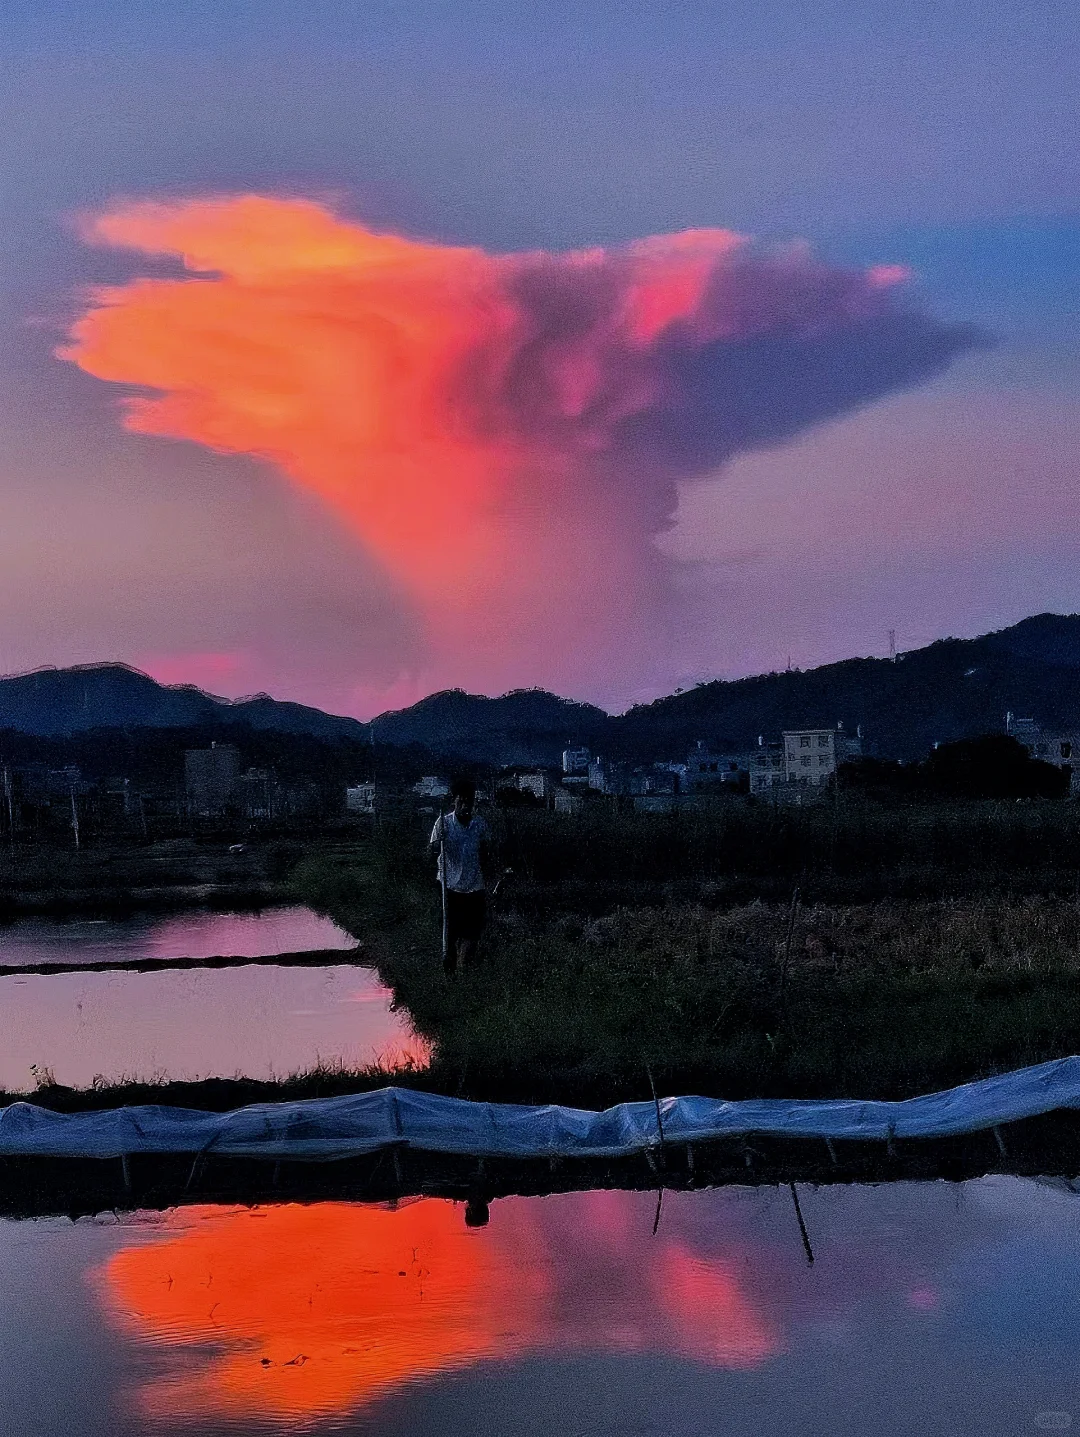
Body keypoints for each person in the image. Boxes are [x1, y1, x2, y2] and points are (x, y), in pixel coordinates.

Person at [430, 777, 491, 977]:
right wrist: (436, 845)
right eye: (461, 801)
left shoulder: (479, 825)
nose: (465, 805)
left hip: (474, 886)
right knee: (451, 933)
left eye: (469, 802)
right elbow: (431, 852)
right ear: (454, 801)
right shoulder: (444, 823)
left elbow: (487, 852)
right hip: (450, 887)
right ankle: (451, 973)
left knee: (472, 933)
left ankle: (464, 972)